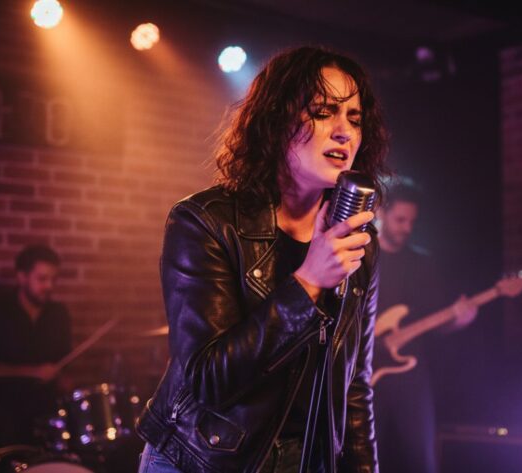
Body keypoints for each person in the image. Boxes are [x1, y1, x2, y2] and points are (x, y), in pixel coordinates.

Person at [135, 46, 388, 473]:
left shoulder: (360, 240)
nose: (344, 132)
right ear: (277, 121)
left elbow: (354, 387)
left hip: (302, 461)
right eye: (323, 112)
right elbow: (209, 381)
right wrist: (308, 283)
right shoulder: (206, 222)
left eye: (355, 118)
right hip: (203, 458)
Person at [372, 182, 477, 473]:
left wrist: (457, 321)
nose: (407, 228)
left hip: (411, 377)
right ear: (381, 213)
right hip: (365, 375)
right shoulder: (363, 258)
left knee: (421, 458)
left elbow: (437, 323)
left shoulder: (423, 264)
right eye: (400, 220)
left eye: (412, 221)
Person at [0, 244, 72, 447]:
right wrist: (34, 372)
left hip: (45, 406)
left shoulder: (59, 314)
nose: (49, 286)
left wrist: (64, 380)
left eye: (53, 279)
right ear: (22, 277)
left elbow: (61, 362)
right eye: (42, 279)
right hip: (4, 407)